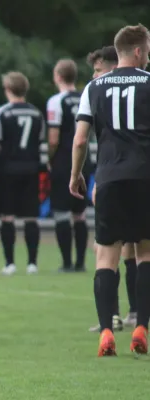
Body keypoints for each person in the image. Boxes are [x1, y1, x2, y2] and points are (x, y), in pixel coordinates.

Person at [70, 23, 150, 356]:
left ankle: (106, 330)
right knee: (146, 252)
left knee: (107, 256)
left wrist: (76, 174)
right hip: (145, 177)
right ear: (137, 51)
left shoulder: (94, 86)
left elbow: (80, 139)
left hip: (109, 178)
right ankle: (142, 325)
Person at [85, 46, 137, 332]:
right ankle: (133, 315)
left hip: (115, 178)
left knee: (109, 249)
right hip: (131, 176)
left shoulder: (99, 92)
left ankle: (115, 317)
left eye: (98, 69)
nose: (94, 75)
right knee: (131, 247)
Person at [0, 72, 44, 275]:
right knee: (31, 217)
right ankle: (32, 263)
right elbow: (40, 141)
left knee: (7, 216)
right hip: (31, 168)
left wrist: (0, 158)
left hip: (8, 169)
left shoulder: (1, 113)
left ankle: (10, 263)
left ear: (7, 89)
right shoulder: (36, 113)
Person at [47, 59, 89, 273]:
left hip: (64, 160)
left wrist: (49, 157)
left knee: (62, 212)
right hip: (84, 159)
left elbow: (53, 138)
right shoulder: (86, 96)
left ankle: (66, 263)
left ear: (58, 77)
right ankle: (81, 262)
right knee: (80, 214)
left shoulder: (56, 101)